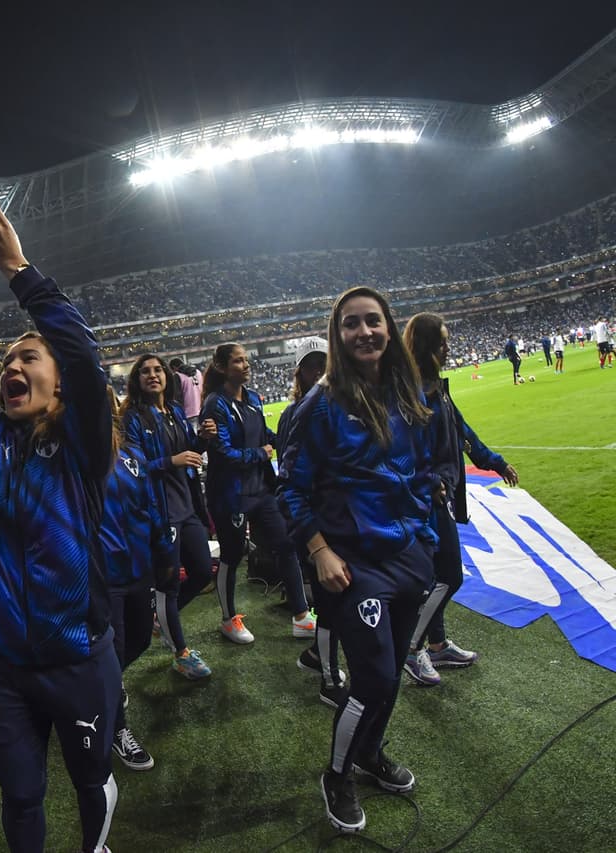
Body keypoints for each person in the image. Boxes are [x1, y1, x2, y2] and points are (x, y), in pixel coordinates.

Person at [0, 192, 117, 853]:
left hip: (80, 658)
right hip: (4, 665)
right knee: (20, 793)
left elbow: (87, 360)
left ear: (59, 386)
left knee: (92, 780)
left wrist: (17, 269)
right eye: (6, 359)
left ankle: (94, 846)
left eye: (29, 358)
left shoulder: (82, 445)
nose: (12, 365)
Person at [279, 286, 439, 834]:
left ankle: (369, 754)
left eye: (373, 321)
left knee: (391, 675)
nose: (364, 332)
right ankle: (338, 773)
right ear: (338, 335)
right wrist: (319, 550)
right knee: (370, 681)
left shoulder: (406, 391)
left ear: (389, 329)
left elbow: (419, 471)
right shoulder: (319, 405)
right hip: (353, 566)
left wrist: (420, 533)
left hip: (406, 557)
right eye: (352, 324)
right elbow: (290, 490)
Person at [402, 313, 520, 686]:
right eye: (442, 342)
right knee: (449, 576)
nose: (448, 347)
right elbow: (405, 453)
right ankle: (411, 647)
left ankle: (436, 644)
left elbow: (462, 432)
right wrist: (433, 481)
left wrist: (493, 462)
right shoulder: (411, 395)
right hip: (425, 500)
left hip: (440, 494)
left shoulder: (437, 389)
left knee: (440, 575)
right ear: (427, 347)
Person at [200, 342, 314, 643]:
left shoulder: (252, 398)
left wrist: (286, 438)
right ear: (223, 367)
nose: (246, 365)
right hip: (230, 495)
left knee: (286, 545)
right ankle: (228, 619)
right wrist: (262, 454)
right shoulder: (215, 404)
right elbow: (223, 452)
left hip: (261, 490)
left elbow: (264, 435)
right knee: (232, 556)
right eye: (238, 361)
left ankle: (302, 615)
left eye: (246, 360)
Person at [120, 353, 214, 680]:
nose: (153, 375)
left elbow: (189, 453)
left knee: (202, 571)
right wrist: (168, 461)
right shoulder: (132, 418)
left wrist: (202, 438)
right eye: (145, 371)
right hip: (160, 512)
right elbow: (132, 468)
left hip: (186, 506)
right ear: (136, 379)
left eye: (158, 369)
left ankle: (162, 617)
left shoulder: (174, 410)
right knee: (168, 586)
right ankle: (181, 653)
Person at [103, 389, 174, 772]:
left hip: (139, 568)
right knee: (112, 654)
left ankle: (104, 684)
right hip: (104, 578)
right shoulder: (74, 460)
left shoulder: (132, 455)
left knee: (142, 639)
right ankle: (117, 730)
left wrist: (163, 551)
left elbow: (150, 506)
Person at [276, 338, 347, 709]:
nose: (319, 372)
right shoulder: (296, 414)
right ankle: (328, 677)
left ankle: (317, 656)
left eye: (324, 364)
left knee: (337, 604)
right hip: (314, 525)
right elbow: (290, 484)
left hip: (338, 522)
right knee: (330, 606)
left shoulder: (340, 406)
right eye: (311, 367)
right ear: (300, 374)